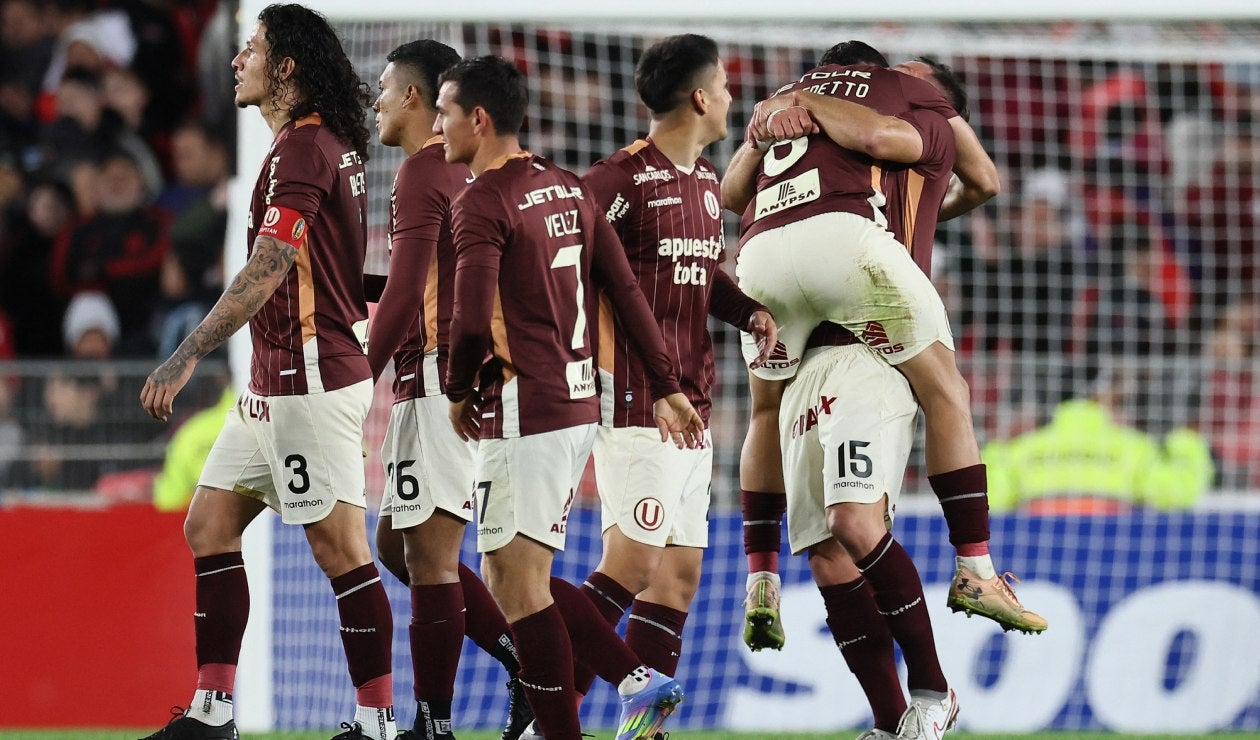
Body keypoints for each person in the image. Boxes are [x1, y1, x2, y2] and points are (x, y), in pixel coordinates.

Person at [723, 43, 1046, 649]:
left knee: (843, 521)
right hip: (850, 282)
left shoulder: (900, 109)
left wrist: (790, 105)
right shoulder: (871, 118)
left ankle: (763, 577)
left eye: (908, 79)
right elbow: (959, 171)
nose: (890, 81)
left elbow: (733, 196)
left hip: (781, 277)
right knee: (942, 396)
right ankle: (974, 570)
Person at [137, 5, 394, 740]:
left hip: (309, 378)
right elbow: (335, 268)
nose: (235, 60)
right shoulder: (315, 145)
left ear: (285, 67)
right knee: (210, 524)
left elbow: (272, 264)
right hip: (274, 381)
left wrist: (186, 353)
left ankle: (377, 725)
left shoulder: (305, 150)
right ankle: (215, 715)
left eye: (250, 48)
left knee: (340, 548)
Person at [435, 54, 703, 740]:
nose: (438, 129)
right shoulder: (564, 187)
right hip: (580, 404)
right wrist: (667, 386)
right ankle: (629, 685)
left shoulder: (481, 201)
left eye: (444, 114)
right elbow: (625, 288)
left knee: (515, 587)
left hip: (527, 407)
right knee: (522, 578)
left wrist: (457, 389)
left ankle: (618, 692)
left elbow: (468, 322)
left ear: (479, 118)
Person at [569, 32, 776, 705]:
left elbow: (698, 277)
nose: (729, 97)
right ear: (698, 97)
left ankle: (644, 728)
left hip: (695, 404)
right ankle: (547, 712)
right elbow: (560, 266)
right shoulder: (616, 180)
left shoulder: (708, 185)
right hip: (636, 401)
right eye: (721, 85)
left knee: (677, 576)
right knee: (632, 561)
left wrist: (748, 313)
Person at [364, 39, 531, 740]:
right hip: (472, 376)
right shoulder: (477, 172)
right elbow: (426, 278)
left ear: (415, 97)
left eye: (383, 86)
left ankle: (434, 723)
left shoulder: (421, 171)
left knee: (426, 558)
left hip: (438, 378)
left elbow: (406, 295)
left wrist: (349, 385)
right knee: (398, 546)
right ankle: (529, 661)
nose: (374, 100)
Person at [783, 340, 959, 740]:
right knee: (826, 557)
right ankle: (890, 723)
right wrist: (760, 565)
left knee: (852, 522)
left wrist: (973, 548)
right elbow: (760, 411)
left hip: (863, 356)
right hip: (798, 379)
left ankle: (933, 689)